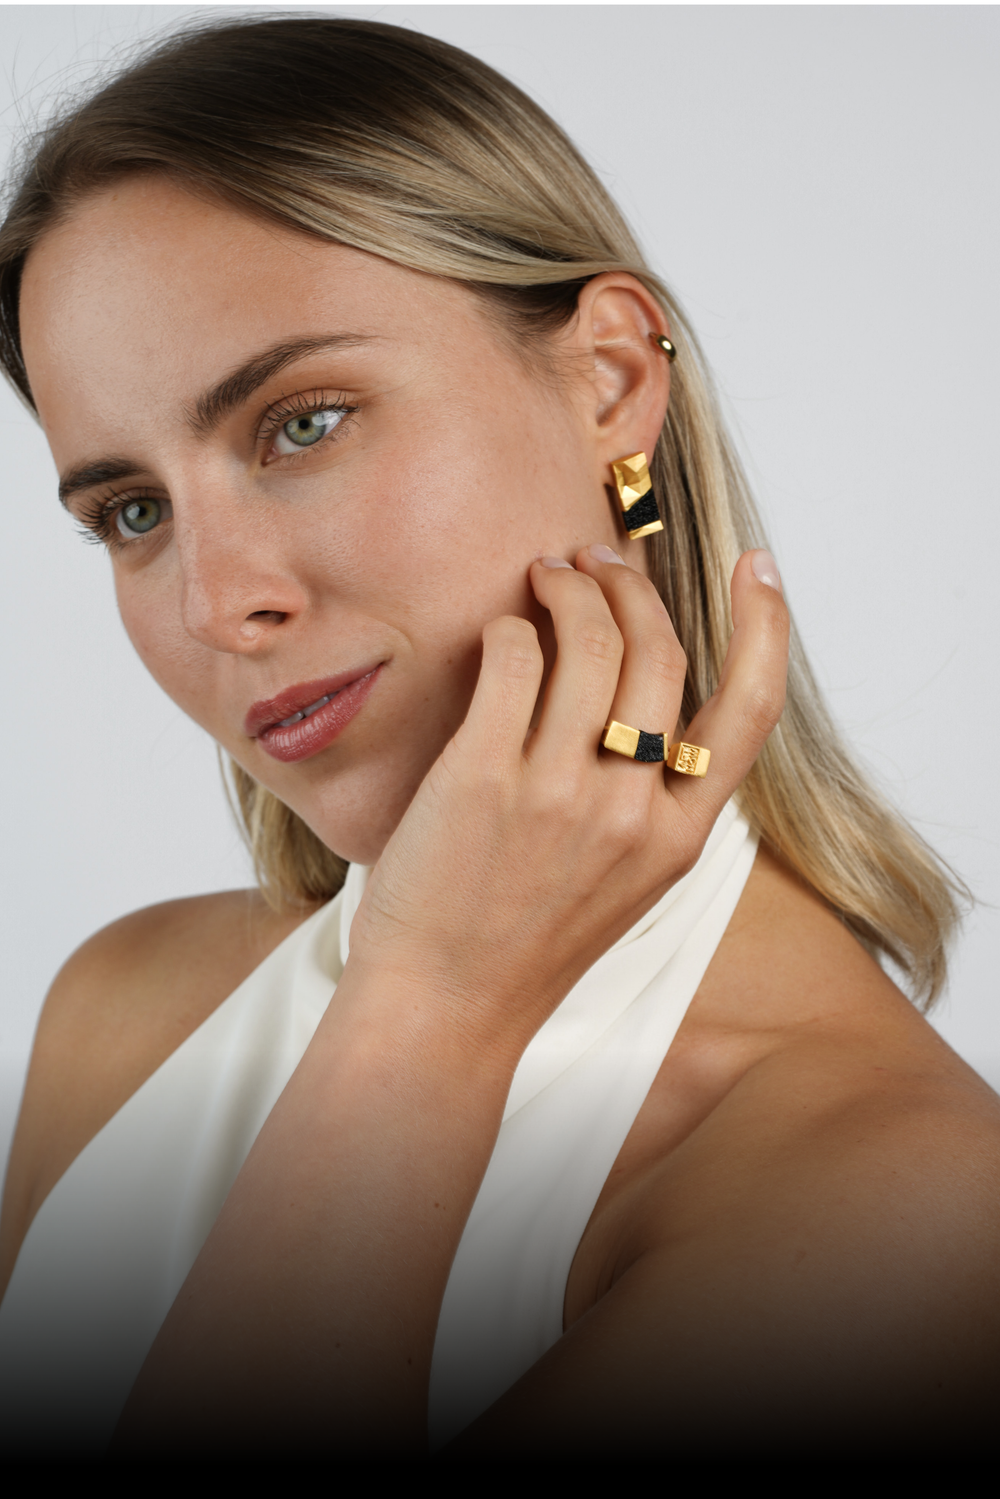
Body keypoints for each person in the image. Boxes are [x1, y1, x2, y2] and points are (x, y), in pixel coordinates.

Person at [0, 15, 997, 1455]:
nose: (218, 605)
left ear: (610, 380)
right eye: (132, 512)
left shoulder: (910, 1214)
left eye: (302, 423)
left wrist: (431, 1011)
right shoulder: (123, 1009)